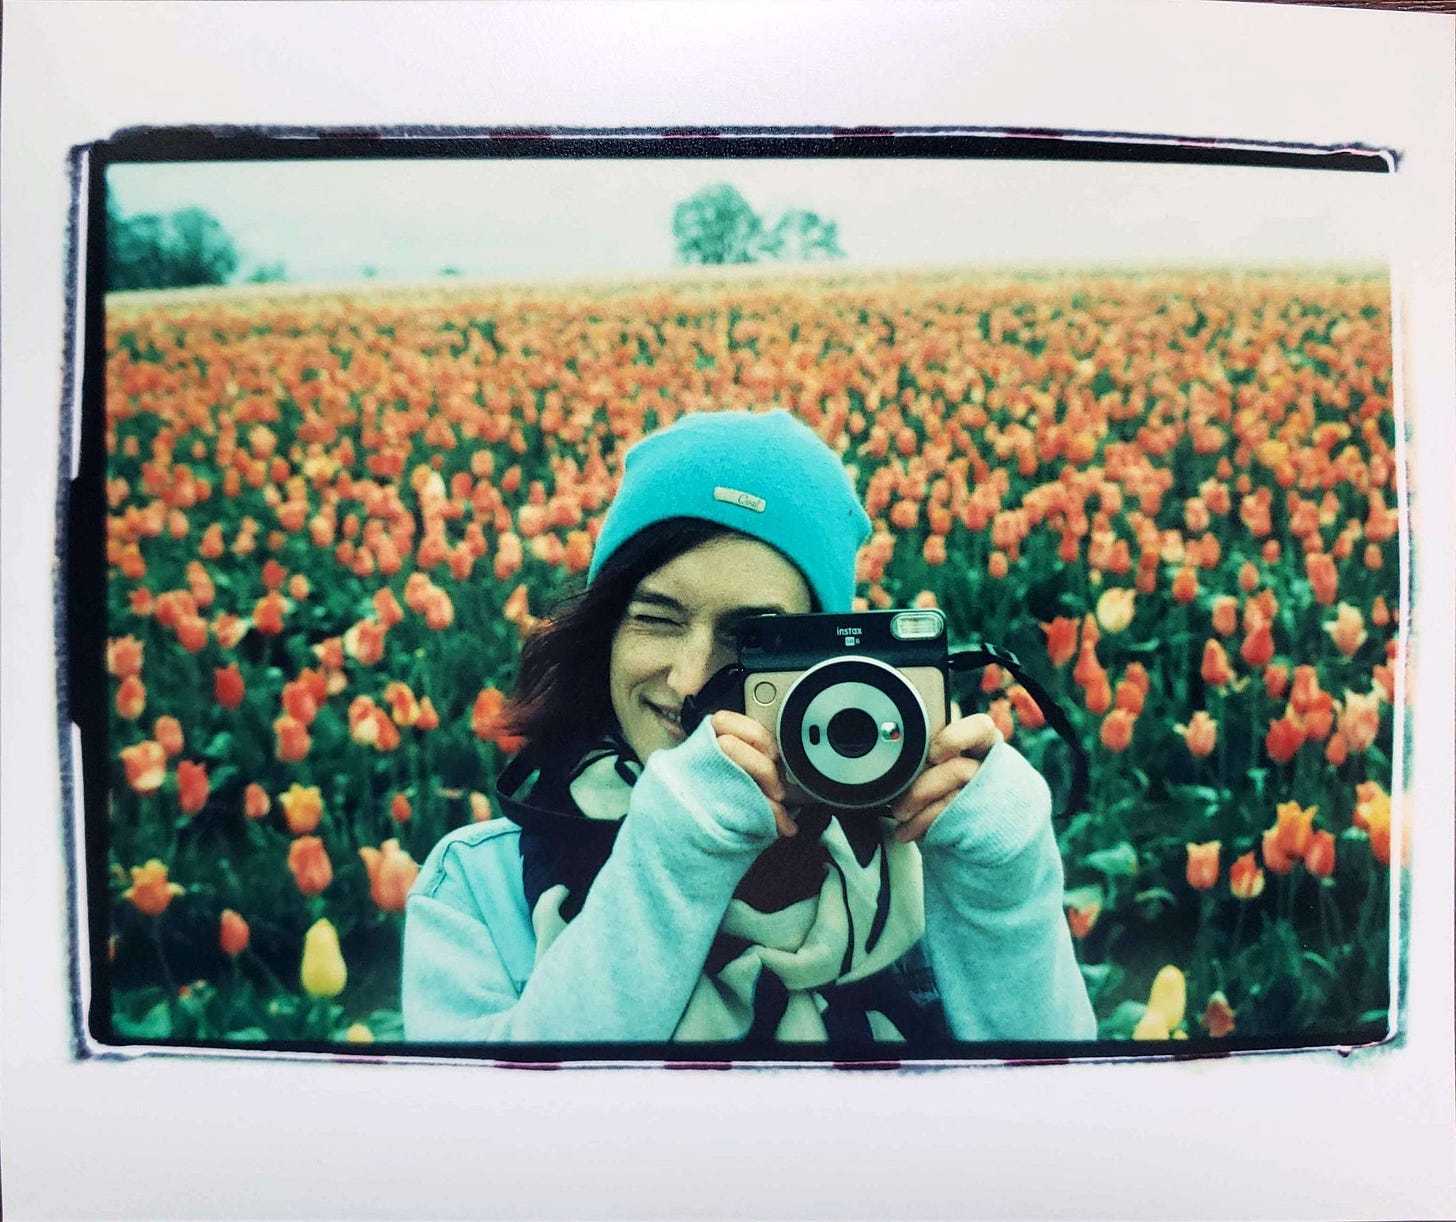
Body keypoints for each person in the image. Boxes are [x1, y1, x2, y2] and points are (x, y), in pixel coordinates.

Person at [402, 409, 1095, 1046]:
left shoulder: (930, 866)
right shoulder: (480, 890)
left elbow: (1050, 1134)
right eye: (657, 617)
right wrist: (670, 862)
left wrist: (1006, 891)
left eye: (752, 637)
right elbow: (498, 1148)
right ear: (604, 631)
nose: (689, 677)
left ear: (827, 658)